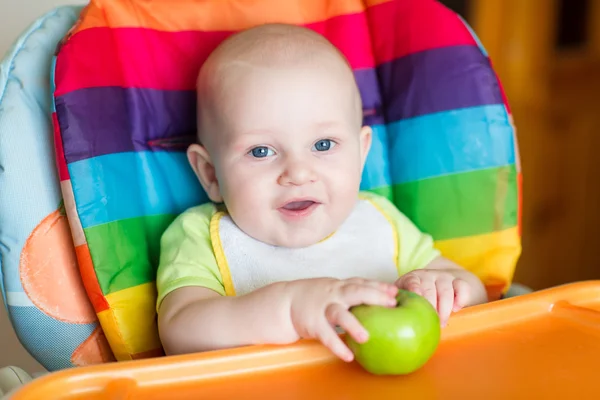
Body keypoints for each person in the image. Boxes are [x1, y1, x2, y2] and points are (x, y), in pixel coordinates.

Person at [156, 23, 487, 362]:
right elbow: (180, 332)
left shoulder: (381, 221)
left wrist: (444, 289)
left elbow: (474, 292)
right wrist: (289, 309)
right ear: (210, 174)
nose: (298, 173)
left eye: (323, 144)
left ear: (360, 155)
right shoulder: (201, 237)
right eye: (260, 151)